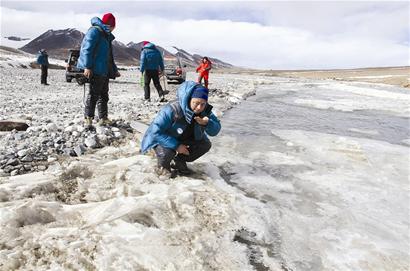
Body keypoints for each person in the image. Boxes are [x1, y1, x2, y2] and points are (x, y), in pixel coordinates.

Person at [141, 81, 221, 178]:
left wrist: (207, 123)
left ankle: (179, 160)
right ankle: (163, 167)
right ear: (189, 99)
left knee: (205, 145)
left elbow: (215, 130)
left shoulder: (205, 111)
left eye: (203, 104)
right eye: (196, 103)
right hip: (164, 138)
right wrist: (177, 146)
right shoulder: (172, 109)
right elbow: (155, 132)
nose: (199, 107)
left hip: (184, 137)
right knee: (167, 154)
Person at [77, 12, 120, 128]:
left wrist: (114, 69)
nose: (114, 29)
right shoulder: (95, 31)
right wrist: (87, 66)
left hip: (104, 70)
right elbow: (87, 49)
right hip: (95, 70)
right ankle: (88, 118)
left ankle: (103, 118)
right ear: (110, 25)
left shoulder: (106, 35)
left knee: (104, 96)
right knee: (93, 95)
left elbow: (109, 56)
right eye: (113, 26)